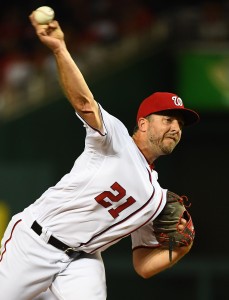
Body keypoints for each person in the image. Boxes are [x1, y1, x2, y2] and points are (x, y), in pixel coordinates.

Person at [0, 12, 199, 300]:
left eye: (180, 124)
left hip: (82, 260)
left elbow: (143, 266)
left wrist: (181, 249)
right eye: (168, 120)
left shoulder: (157, 198)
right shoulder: (115, 139)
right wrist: (59, 49)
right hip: (35, 242)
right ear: (143, 123)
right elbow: (83, 101)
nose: (175, 128)